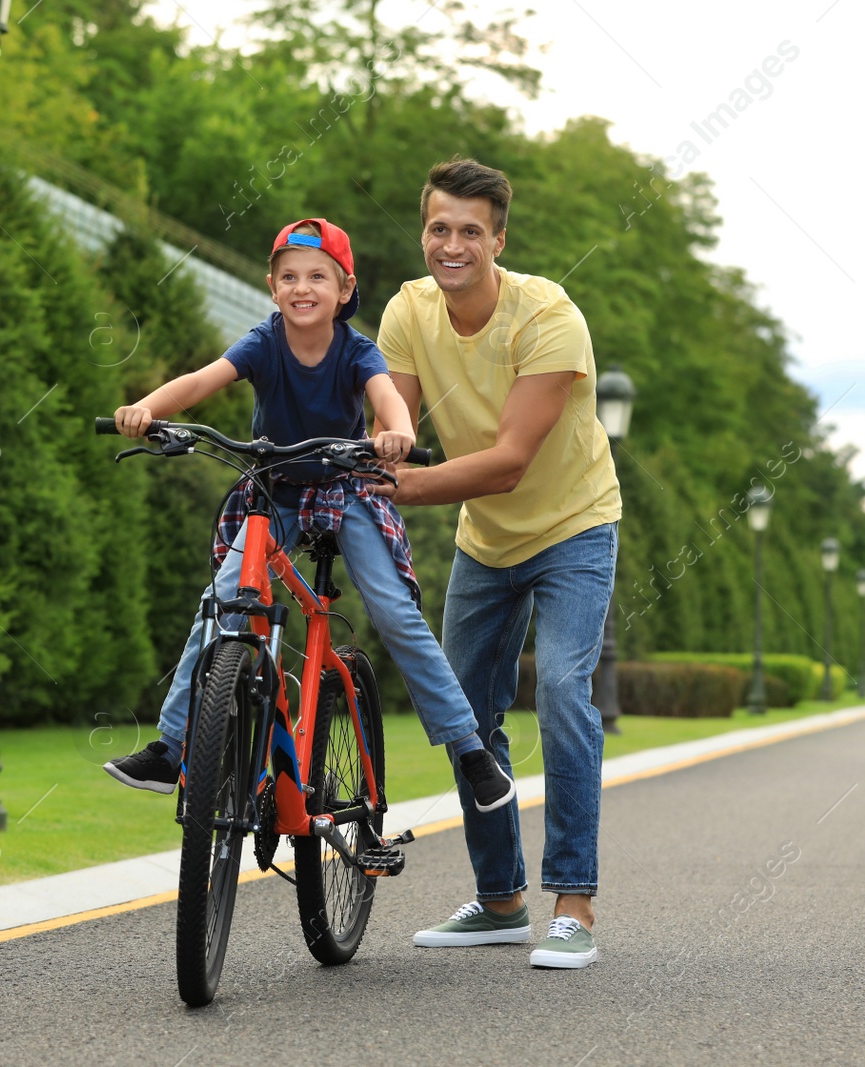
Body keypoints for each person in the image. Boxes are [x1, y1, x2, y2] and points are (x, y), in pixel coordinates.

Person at [102, 217, 514, 814]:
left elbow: (389, 399)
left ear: (344, 290)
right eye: (289, 276)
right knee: (222, 604)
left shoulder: (357, 350)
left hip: (345, 490)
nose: (302, 288)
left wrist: (397, 434)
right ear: (273, 288)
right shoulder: (263, 342)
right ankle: (172, 747)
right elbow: (202, 380)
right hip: (274, 492)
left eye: (318, 276)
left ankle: (471, 751)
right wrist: (145, 408)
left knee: (394, 612)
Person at [374, 158, 621, 970]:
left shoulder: (549, 317)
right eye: (439, 228)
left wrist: (399, 487)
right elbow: (394, 420)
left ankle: (574, 903)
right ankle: (501, 899)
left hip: (574, 526)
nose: (452, 245)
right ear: (425, 233)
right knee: (463, 710)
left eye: (470, 231)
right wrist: (379, 454)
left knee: (557, 686)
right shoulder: (409, 311)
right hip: (488, 539)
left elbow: (511, 461)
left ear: (498, 240)